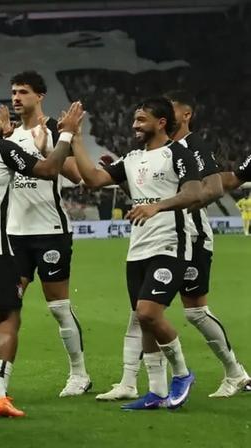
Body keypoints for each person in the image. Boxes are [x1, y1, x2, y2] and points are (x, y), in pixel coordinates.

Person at [96, 91, 248, 400]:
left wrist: (176, 206)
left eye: (171, 108)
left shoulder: (192, 147)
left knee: (194, 312)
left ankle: (235, 373)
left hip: (191, 235)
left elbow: (214, 187)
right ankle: (129, 382)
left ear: (184, 115)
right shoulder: (150, 153)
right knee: (141, 311)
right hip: (157, 235)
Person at [0, 100, 84, 417]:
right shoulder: (1, 149)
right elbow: (49, 169)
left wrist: (5, 135)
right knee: (9, 318)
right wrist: (65, 135)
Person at [72, 97, 201, 410]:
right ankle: (156, 392)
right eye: (134, 119)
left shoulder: (178, 154)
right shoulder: (130, 159)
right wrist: (74, 137)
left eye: (141, 120)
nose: (134, 126)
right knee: (144, 322)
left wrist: (156, 205)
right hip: (138, 247)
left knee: (148, 313)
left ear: (160, 122)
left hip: (170, 243)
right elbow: (93, 179)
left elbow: (195, 192)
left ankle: (182, 374)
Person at [5, 71, 90, 397]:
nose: (16, 98)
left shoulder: (55, 129)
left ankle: (79, 375)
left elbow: (75, 175)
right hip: (15, 232)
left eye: (23, 92)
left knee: (58, 306)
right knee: (6, 304)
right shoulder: (10, 136)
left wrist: (45, 149)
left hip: (50, 231)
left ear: (39, 96)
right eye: (13, 92)